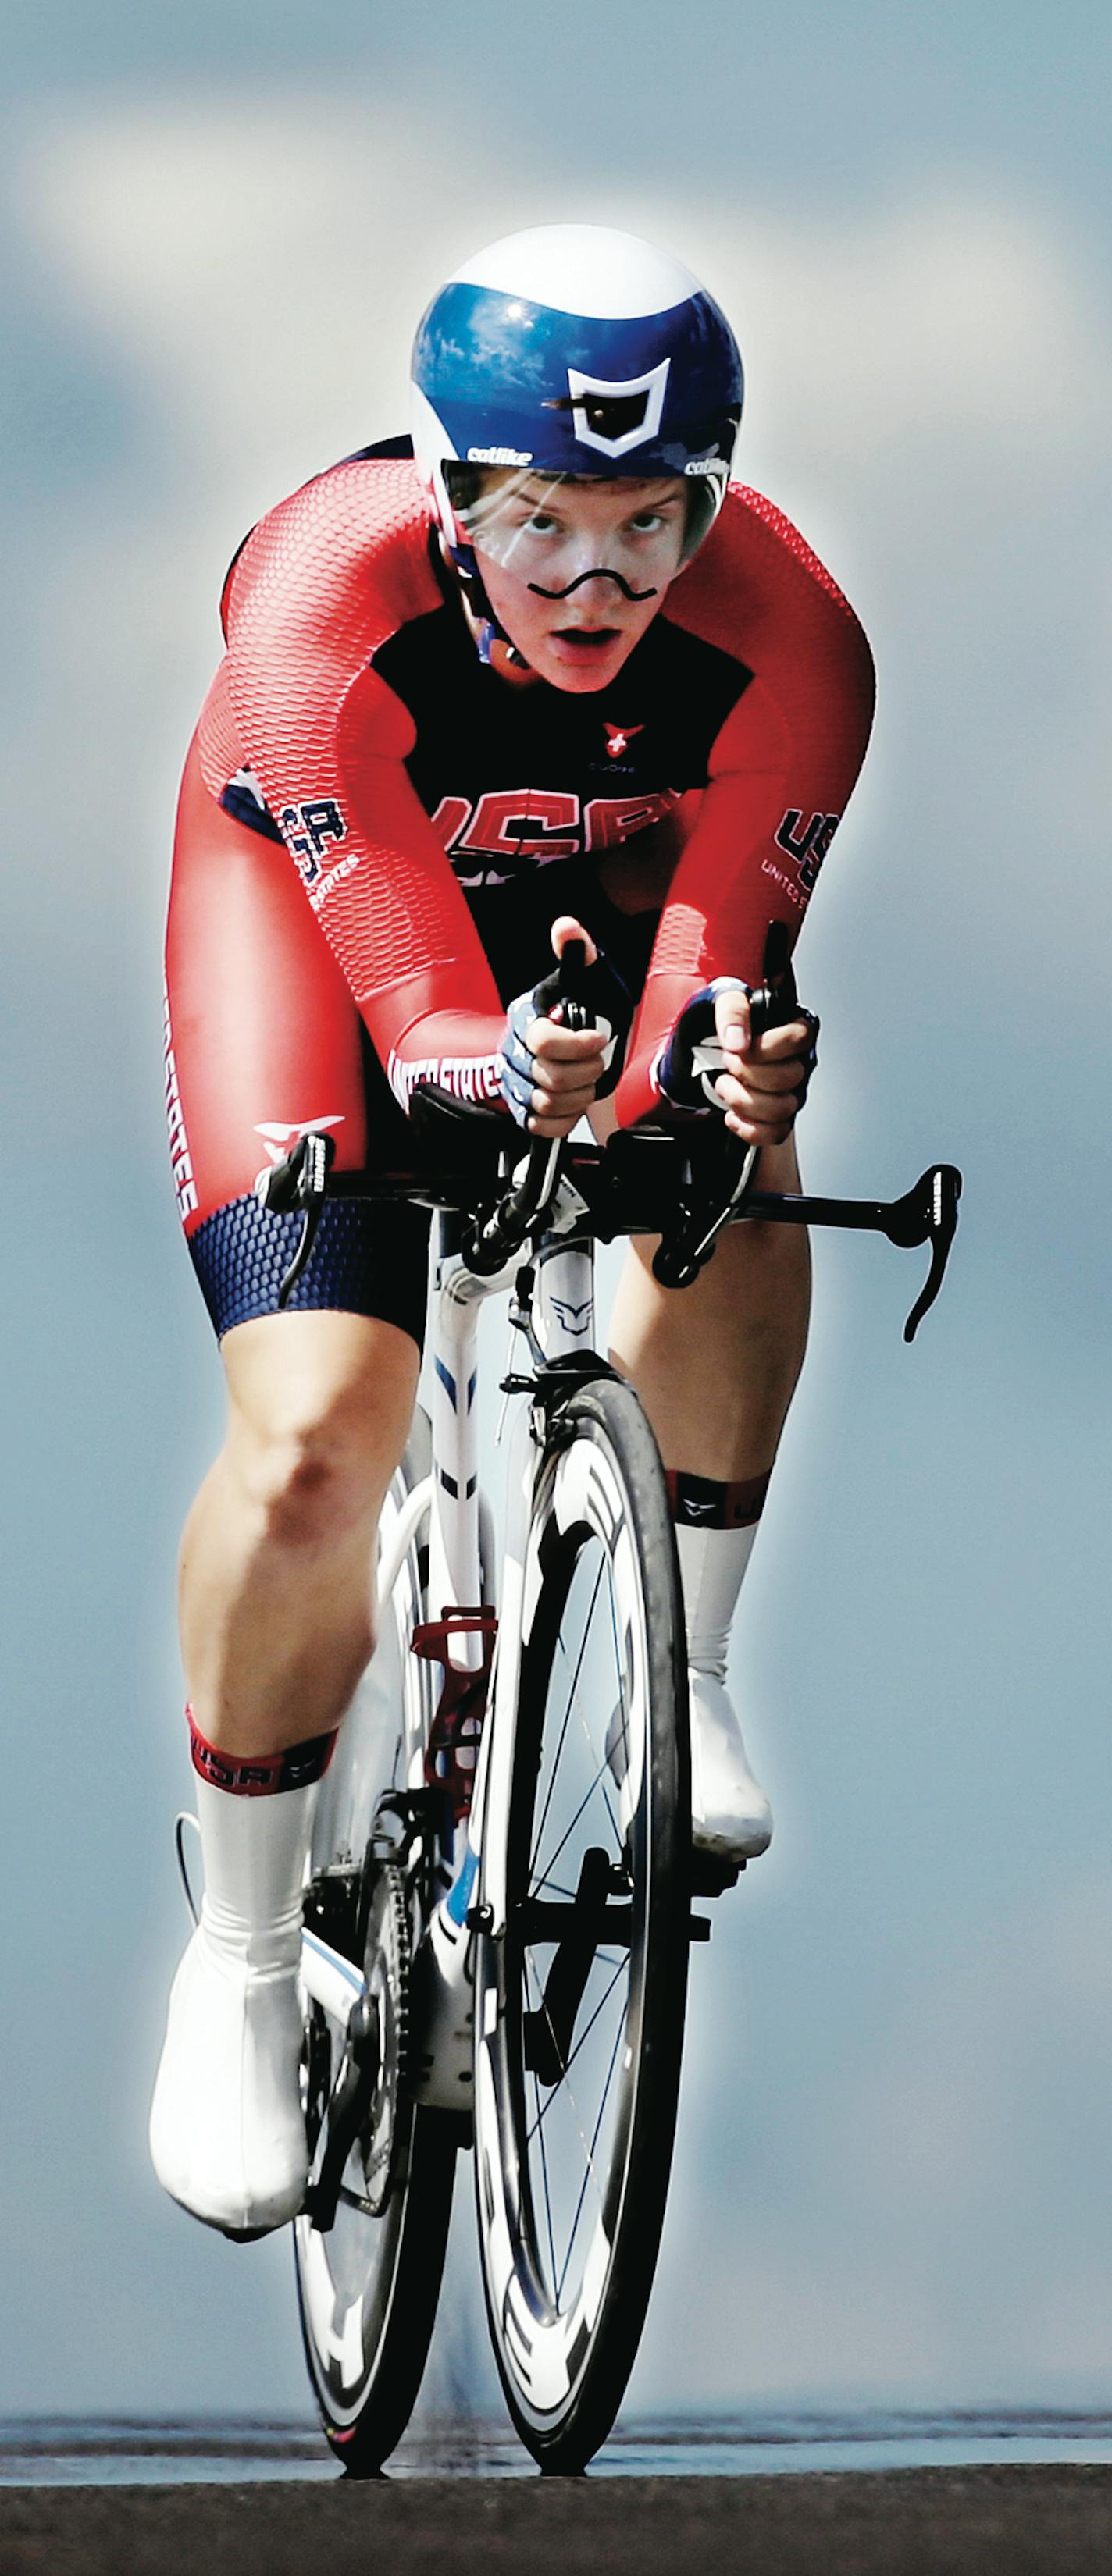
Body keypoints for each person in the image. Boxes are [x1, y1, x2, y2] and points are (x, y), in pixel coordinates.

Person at [150, 223, 875, 2236]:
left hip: (604, 940)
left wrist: (700, 1086)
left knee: (728, 1143)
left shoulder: (797, 641)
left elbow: (715, 958)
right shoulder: (318, 602)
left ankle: (683, 1675)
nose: (601, 578)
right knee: (317, 1428)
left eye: (658, 521)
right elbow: (412, 1006)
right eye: (547, 518)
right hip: (316, 929)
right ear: (453, 491)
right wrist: (474, 1071)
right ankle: (240, 1944)